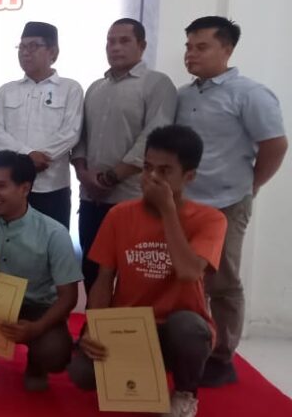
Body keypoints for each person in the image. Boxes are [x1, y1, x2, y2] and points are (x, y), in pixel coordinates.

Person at [69, 125, 227, 417]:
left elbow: (189, 271)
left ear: (189, 177)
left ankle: (185, 393)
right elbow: (104, 280)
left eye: (165, 171)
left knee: (189, 329)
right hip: (130, 327)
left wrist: (168, 211)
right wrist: (94, 328)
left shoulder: (210, 219)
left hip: (179, 329)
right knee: (81, 373)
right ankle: (142, 375)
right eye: (147, 167)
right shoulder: (119, 215)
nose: (152, 177)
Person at [175, 16, 287, 387]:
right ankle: (189, 346)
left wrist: (251, 186)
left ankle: (222, 356)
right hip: (183, 204)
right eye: (188, 46)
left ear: (227, 49)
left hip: (226, 202)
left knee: (222, 281)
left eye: (201, 47)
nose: (191, 54)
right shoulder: (184, 95)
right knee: (184, 278)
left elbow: (275, 145)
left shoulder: (250, 94)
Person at [0, 150, 81, 391]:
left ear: (25, 188)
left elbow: (69, 296)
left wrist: (36, 328)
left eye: (1, 186)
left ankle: (36, 365)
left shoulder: (54, 233)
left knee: (55, 351)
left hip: (36, 307)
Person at [72, 18, 177, 293]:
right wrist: (83, 174)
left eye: (124, 41)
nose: (115, 47)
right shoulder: (96, 87)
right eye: (110, 41)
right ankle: (94, 320)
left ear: (142, 45)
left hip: (132, 197)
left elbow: (154, 138)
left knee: (133, 273)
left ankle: (125, 323)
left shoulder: (157, 84)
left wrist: (110, 177)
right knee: (92, 269)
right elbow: (81, 136)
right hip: (91, 198)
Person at [0, 21, 83, 229]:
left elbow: (71, 132)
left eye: (33, 46)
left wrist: (42, 156)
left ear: (53, 52)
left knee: (53, 241)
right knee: (10, 242)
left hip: (53, 185)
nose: (25, 52)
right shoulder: (6, 90)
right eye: (22, 47)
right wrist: (28, 155)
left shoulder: (70, 88)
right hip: (12, 186)